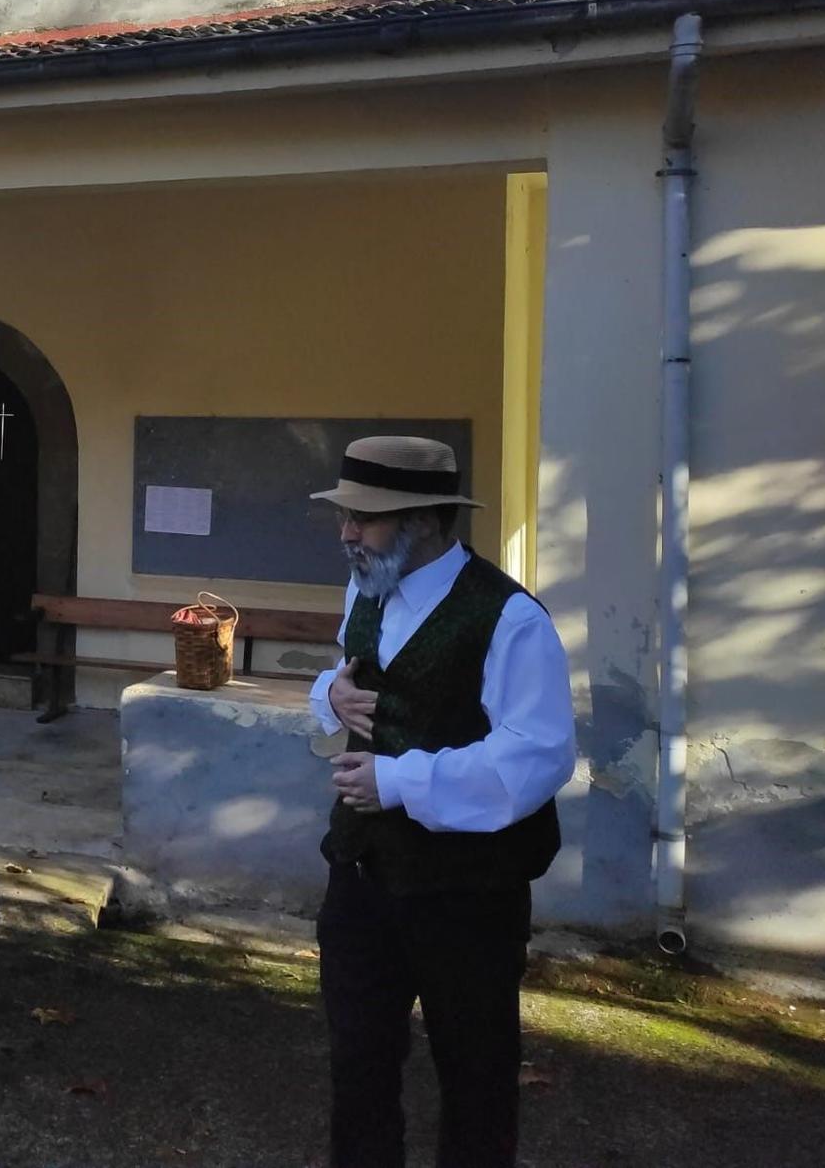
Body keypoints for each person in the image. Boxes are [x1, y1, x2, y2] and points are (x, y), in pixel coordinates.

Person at [307, 436, 576, 1168]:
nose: (346, 533)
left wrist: (398, 782)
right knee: (358, 1072)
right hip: (361, 883)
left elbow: (537, 756)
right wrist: (330, 694)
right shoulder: (365, 588)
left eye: (364, 518)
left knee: (477, 1084)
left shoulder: (511, 619)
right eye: (345, 516)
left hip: (468, 898)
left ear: (423, 519)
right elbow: (341, 676)